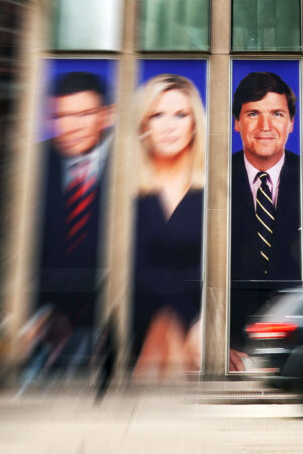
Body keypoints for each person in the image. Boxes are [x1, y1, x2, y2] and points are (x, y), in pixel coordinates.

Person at [130, 74, 205, 382]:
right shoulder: (128, 189)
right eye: (157, 115)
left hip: (199, 328)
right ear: (144, 125)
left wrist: (202, 323)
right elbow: (133, 269)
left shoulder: (215, 189)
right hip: (138, 319)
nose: (169, 126)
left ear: (194, 124)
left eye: (180, 115)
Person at [38, 70, 114, 366]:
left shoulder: (134, 163)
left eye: (84, 114)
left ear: (106, 116)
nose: (72, 127)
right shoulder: (37, 163)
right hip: (49, 323)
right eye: (62, 116)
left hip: (110, 320)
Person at [230, 71, 302, 369]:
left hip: (297, 348)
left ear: (291, 123)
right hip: (231, 348)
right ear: (237, 123)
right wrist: (213, 343)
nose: (265, 126)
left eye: (276, 113)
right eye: (253, 114)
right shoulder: (211, 176)